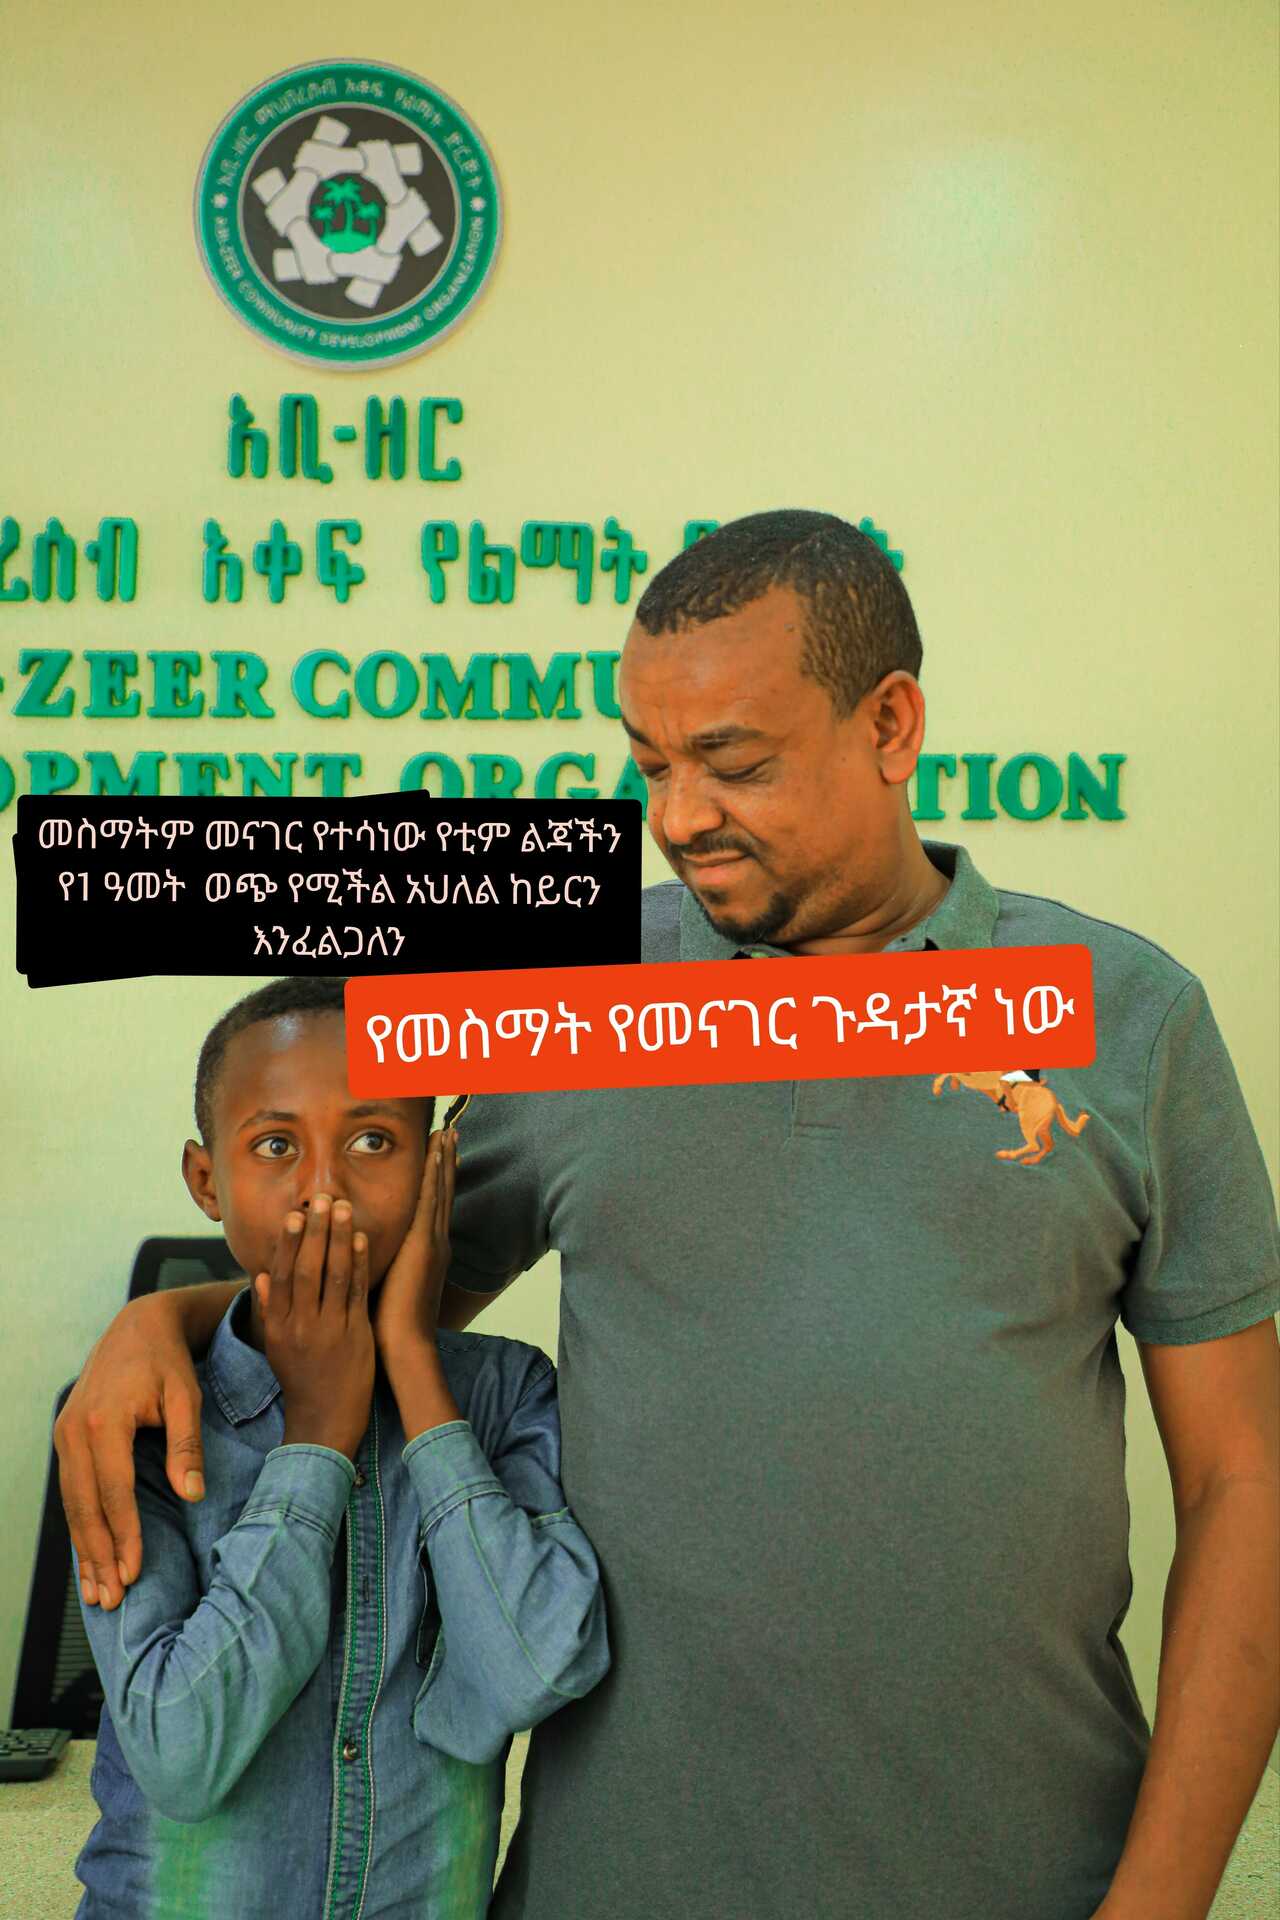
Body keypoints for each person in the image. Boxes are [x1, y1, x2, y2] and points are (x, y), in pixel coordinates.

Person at [58, 513, 1279, 1920]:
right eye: (650, 764)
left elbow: (1239, 1485)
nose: (681, 815)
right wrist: (169, 1320)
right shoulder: (575, 994)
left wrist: (1159, 1903)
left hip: (1028, 1878)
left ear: (891, 726)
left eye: (734, 764)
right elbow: (362, 1295)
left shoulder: (1129, 1017)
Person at [71, 978, 609, 1919]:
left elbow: (531, 1671)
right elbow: (180, 1758)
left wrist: (411, 1362)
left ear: (436, 1169)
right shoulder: (148, 1414)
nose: (325, 1189)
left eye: (372, 1142)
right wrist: (318, 1439)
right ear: (206, 1180)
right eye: (276, 1146)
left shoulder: (504, 1394)